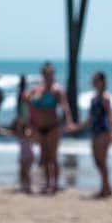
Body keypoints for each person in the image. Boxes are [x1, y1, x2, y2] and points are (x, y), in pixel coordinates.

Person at [25, 61, 74, 194]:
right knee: (44, 157)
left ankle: (55, 184)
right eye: (46, 74)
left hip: (53, 127)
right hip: (39, 127)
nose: (48, 76)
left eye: (50, 74)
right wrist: (29, 125)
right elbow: (28, 106)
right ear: (42, 74)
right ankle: (47, 183)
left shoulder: (57, 90)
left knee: (53, 156)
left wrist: (69, 122)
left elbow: (65, 107)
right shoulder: (37, 90)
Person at [74, 70, 112, 198]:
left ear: (102, 81)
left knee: (102, 161)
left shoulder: (105, 97)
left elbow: (110, 115)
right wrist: (78, 127)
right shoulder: (93, 98)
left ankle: (106, 188)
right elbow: (90, 118)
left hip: (103, 132)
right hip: (94, 132)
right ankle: (106, 187)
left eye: (96, 80)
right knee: (97, 161)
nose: (93, 82)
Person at [12, 74, 35, 193]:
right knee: (23, 160)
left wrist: (23, 125)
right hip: (23, 128)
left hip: (25, 128)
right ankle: (25, 184)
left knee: (26, 160)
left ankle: (27, 185)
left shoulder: (24, 96)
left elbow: (25, 113)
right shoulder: (23, 95)